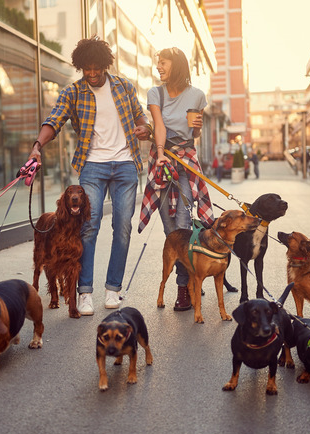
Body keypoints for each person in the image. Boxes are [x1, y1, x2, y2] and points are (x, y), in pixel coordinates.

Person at [28, 37, 152, 316]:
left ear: (105, 65)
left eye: (97, 69)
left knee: (122, 227)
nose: (92, 74)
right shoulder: (73, 92)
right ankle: (84, 293)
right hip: (92, 166)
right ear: (80, 67)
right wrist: (37, 146)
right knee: (88, 226)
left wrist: (144, 129)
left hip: (124, 164)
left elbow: (140, 118)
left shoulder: (124, 87)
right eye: (87, 69)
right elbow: (55, 119)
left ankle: (113, 289)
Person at [138, 47, 214, 312]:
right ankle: (190, 278)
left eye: (163, 62)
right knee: (171, 230)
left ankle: (185, 288)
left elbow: (194, 132)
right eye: (157, 62)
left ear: (177, 65)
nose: (158, 67)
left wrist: (196, 127)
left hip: (185, 162)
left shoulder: (197, 94)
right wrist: (160, 154)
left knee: (184, 223)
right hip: (162, 160)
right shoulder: (155, 93)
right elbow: (158, 126)